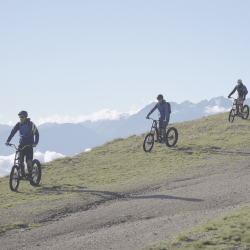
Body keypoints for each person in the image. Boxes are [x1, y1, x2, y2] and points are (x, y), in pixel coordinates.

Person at [5, 111, 39, 180]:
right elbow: (12, 133)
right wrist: (8, 141)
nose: (21, 118)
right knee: (20, 161)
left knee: (29, 161)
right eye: (20, 117)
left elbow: (37, 134)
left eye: (22, 117)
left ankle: (30, 175)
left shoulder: (31, 124)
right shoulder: (18, 125)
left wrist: (35, 142)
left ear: (26, 117)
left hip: (29, 146)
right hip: (21, 145)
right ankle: (22, 174)